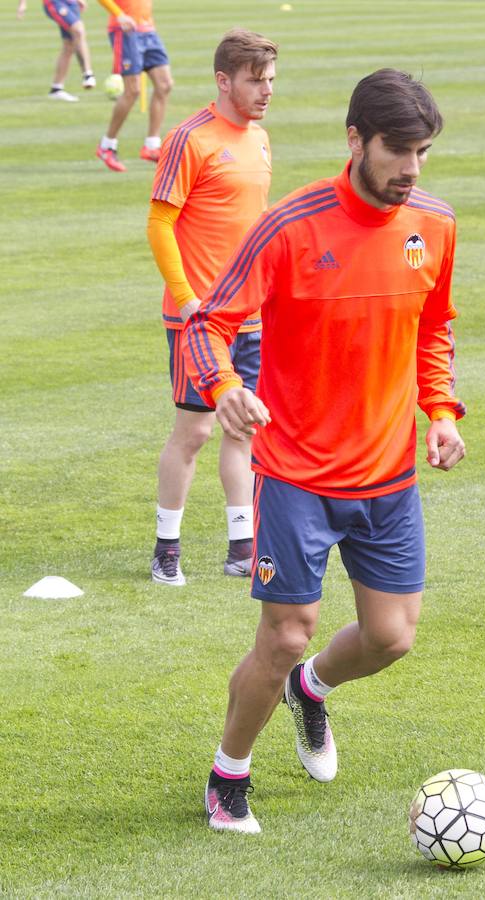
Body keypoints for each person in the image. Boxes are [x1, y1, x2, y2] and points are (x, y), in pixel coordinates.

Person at [182, 68, 467, 834]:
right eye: (397, 150)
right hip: (298, 473)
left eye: (423, 151)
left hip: (387, 474)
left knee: (390, 638)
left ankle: (312, 690)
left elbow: (432, 329)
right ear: (355, 140)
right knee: (284, 632)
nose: (410, 167)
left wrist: (438, 410)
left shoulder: (433, 225)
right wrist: (222, 390)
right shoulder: (290, 227)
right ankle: (227, 776)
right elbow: (207, 321)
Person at [147, 28, 277, 586]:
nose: (266, 90)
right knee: (194, 432)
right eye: (255, 80)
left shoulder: (261, 139)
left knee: (243, 428)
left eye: (271, 79)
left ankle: (241, 547)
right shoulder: (189, 138)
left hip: (251, 315)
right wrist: (187, 300)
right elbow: (159, 223)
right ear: (224, 81)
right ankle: (165, 548)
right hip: (197, 321)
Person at [95, 0, 173, 171]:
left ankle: (152, 146)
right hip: (125, 29)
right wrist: (119, 14)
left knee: (165, 84)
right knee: (132, 91)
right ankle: (107, 146)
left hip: (148, 29)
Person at [17, 0, 96, 102]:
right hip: (55, 2)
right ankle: (88, 74)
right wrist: (22, 4)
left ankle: (56, 89)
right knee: (79, 31)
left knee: (69, 45)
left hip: (71, 3)